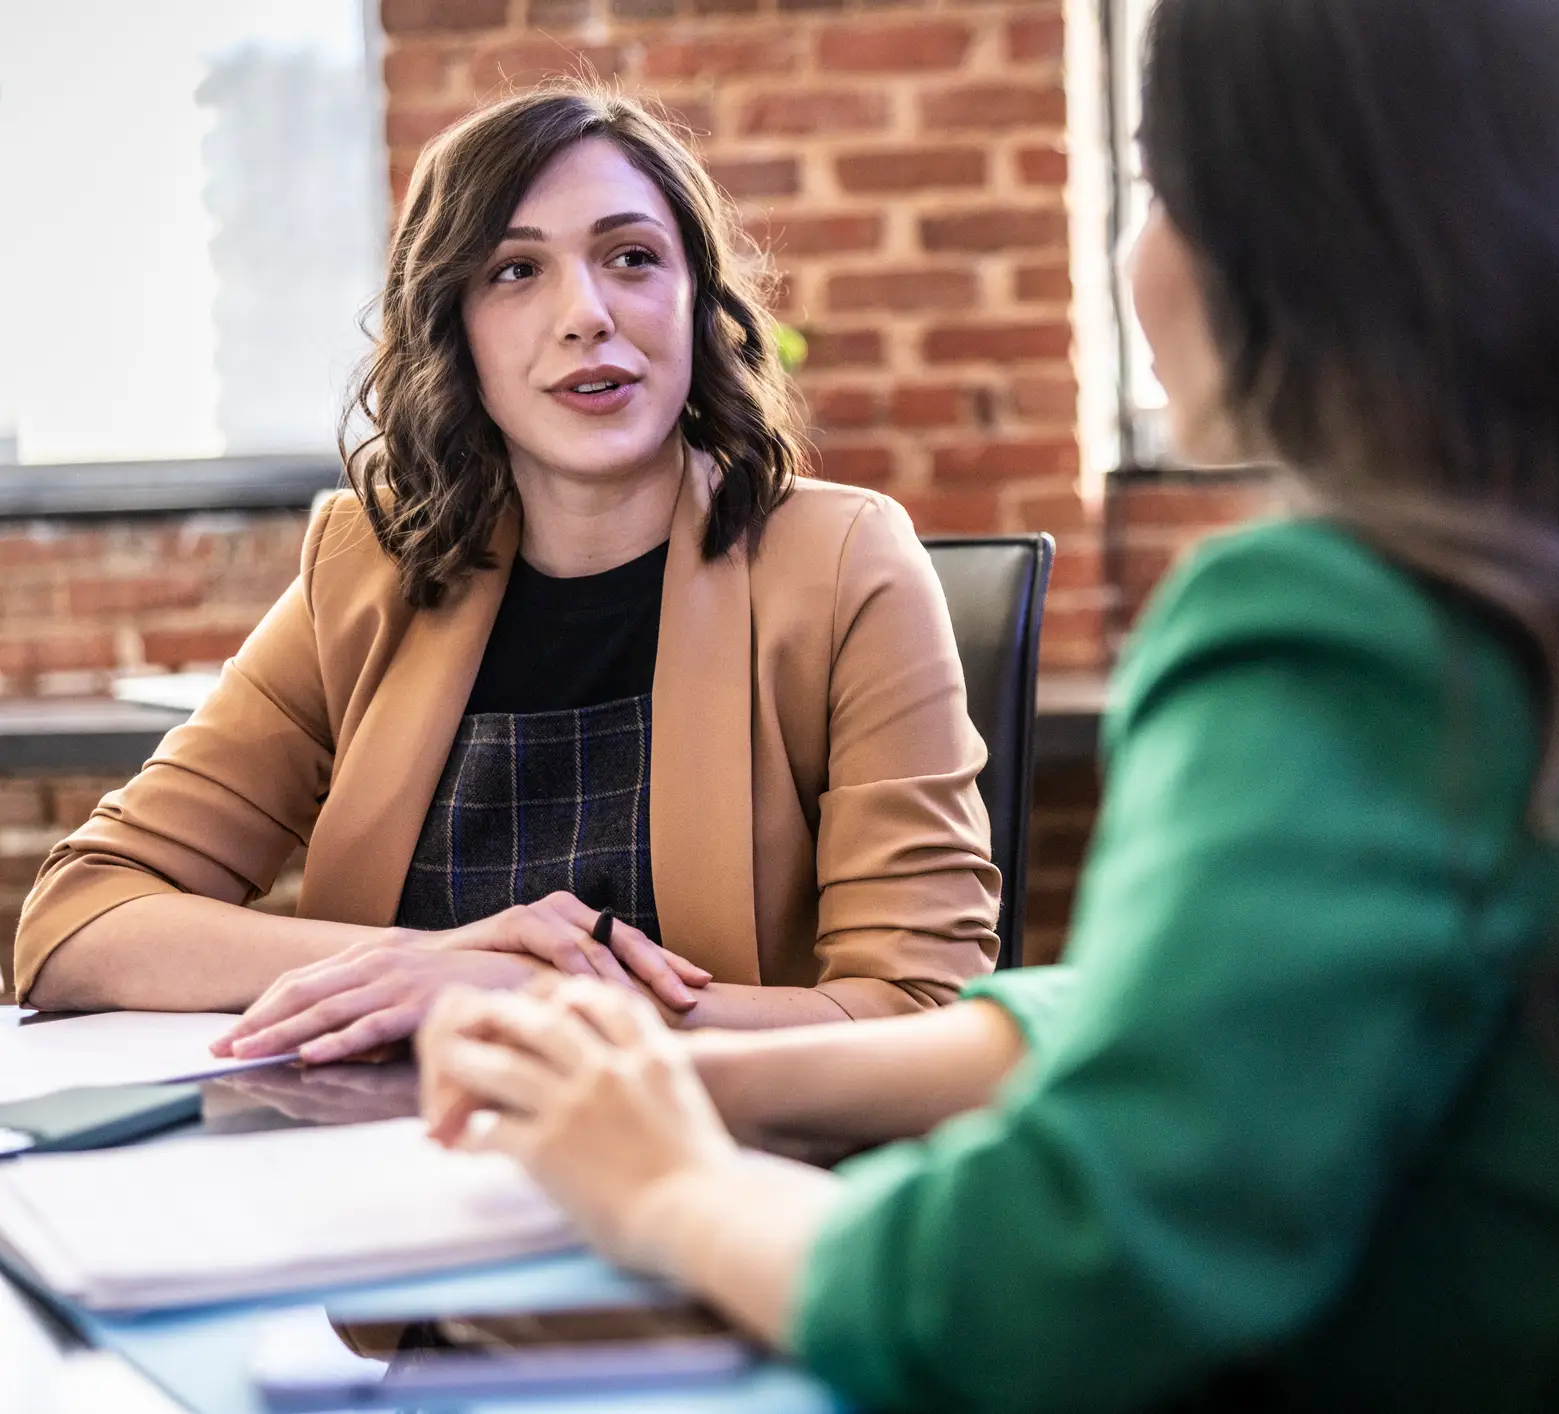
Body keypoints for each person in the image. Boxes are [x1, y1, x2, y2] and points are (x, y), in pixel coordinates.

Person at [414, 1, 1559, 1407]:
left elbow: (1047, 1287)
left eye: (1156, 186)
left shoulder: (1331, 629)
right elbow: (1244, 1006)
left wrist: (671, 1186)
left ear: (1293, 229)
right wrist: (742, 1076)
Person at [12, 89, 1000, 1064]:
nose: (586, 315)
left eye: (632, 258)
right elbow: (76, 922)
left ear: (696, 300)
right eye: (516, 270)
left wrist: (545, 998)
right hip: (375, 1147)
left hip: (708, 1149)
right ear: (454, 329)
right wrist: (428, 965)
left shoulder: (845, 563)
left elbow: (926, 1019)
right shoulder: (364, 568)